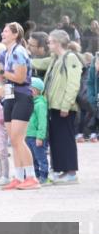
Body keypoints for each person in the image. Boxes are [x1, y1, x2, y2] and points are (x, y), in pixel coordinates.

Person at [0, 22, 38, 190]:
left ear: (15, 34)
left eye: (6, 31)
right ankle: (19, 177)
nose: (2, 33)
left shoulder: (20, 51)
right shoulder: (4, 54)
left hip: (22, 95)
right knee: (13, 141)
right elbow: (3, 79)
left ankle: (32, 177)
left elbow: (20, 78)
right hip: (8, 96)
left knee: (18, 138)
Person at [30, 29, 83, 184]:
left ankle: (71, 172)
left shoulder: (70, 57)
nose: (48, 44)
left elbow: (73, 83)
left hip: (64, 107)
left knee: (65, 139)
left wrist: (66, 104)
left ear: (58, 43)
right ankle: (62, 170)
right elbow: (40, 63)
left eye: (51, 41)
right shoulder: (56, 58)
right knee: (57, 140)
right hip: (54, 106)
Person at [25, 77, 50, 182]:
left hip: (36, 136)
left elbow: (42, 122)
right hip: (28, 135)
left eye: (30, 89)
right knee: (31, 158)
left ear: (36, 90)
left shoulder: (40, 104)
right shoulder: (29, 103)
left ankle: (44, 176)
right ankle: (35, 175)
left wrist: (40, 137)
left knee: (40, 157)